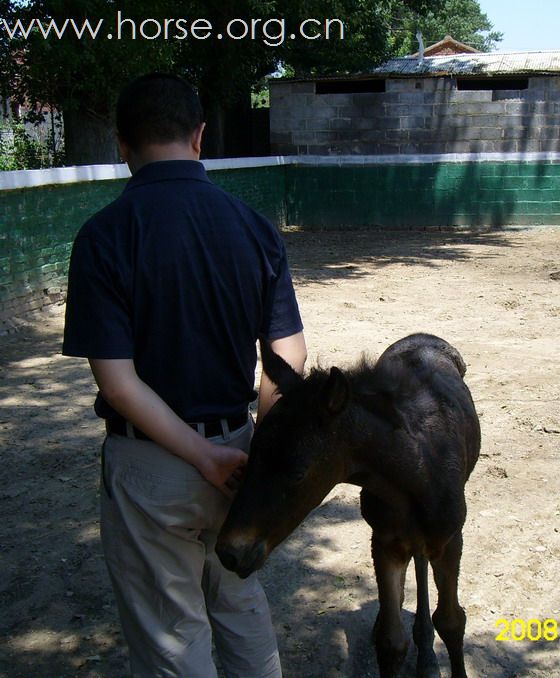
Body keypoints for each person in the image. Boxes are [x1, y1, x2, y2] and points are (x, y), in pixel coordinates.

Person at [62, 72, 306, 678]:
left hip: (151, 468)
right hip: (240, 459)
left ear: (122, 144)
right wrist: (254, 454)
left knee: (172, 631)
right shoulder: (254, 228)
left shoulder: (102, 238)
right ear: (199, 137)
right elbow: (289, 357)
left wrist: (198, 454)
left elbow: (117, 384)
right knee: (239, 600)